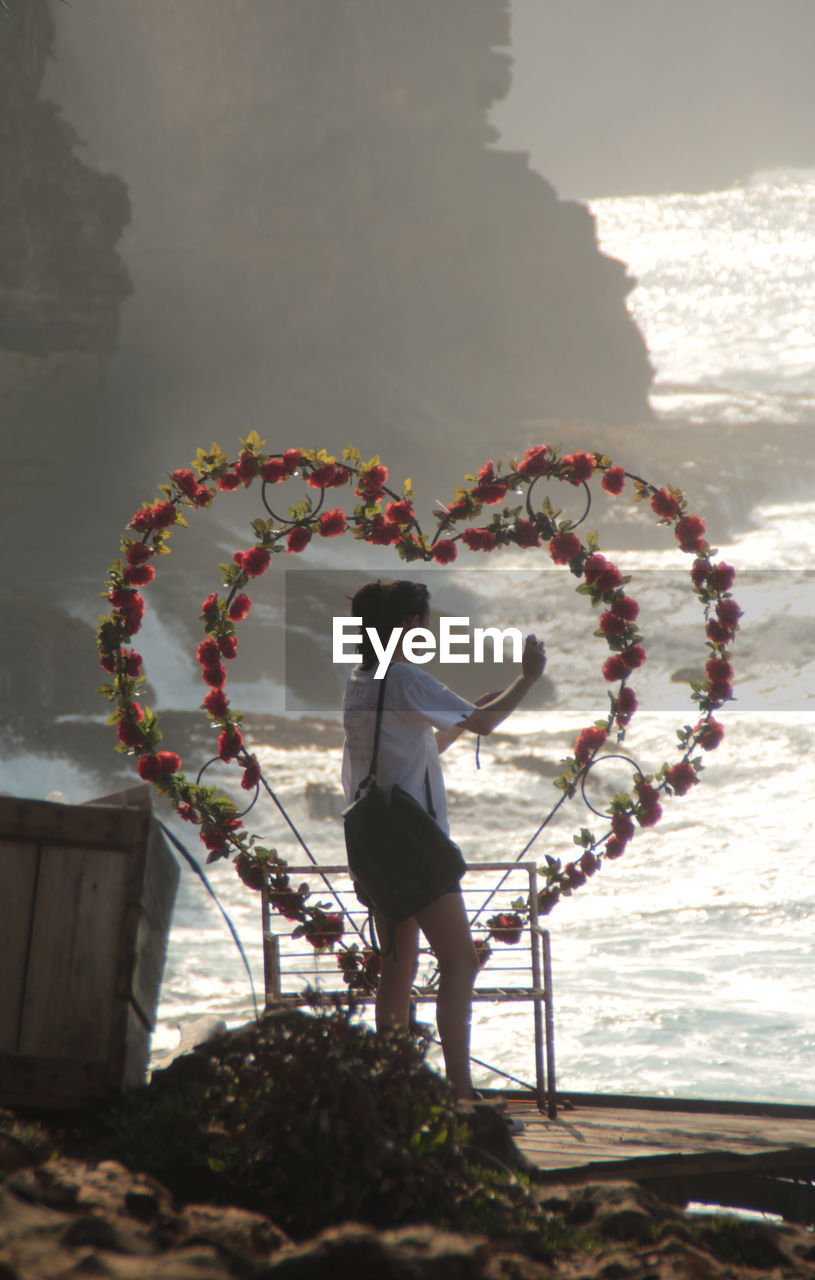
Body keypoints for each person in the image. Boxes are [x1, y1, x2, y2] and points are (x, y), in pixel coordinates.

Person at [341, 579, 546, 1100]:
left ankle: (390, 1084)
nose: (425, 629)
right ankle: (460, 1092)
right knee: (460, 963)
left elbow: (402, 756)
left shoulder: (362, 681)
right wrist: (526, 679)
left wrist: (453, 729)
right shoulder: (407, 679)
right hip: (415, 845)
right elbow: (489, 723)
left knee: (397, 965)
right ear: (404, 625)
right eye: (420, 620)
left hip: (374, 839)